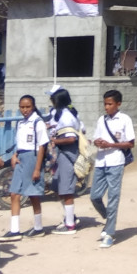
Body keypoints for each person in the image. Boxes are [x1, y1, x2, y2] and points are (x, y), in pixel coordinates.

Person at [0, 94, 49, 242]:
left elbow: (42, 146)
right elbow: (19, 143)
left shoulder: (38, 122)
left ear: (33, 107)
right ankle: (14, 230)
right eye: (22, 107)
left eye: (28, 107)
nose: (25, 110)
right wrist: (15, 155)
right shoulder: (20, 123)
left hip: (33, 158)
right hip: (21, 158)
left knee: (33, 194)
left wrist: (37, 169)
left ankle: (38, 227)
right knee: (14, 193)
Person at [89, 89, 134, 249]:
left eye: (109, 104)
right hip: (101, 161)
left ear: (118, 104)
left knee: (113, 197)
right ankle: (109, 219)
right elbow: (95, 137)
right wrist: (98, 142)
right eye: (105, 104)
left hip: (116, 161)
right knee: (94, 196)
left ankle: (109, 233)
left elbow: (130, 143)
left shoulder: (125, 119)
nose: (106, 107)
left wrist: (111, 144)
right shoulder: (102, 120)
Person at [48, 87, 81, 234]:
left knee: (66, 190)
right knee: (58, 187)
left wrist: (55, 140)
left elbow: (71, 138)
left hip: (68, 154)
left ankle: (70, 225)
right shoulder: (65, 114)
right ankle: (70, 217)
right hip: (62, 155)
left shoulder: (67, 116)